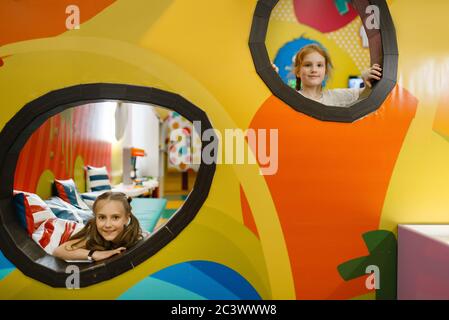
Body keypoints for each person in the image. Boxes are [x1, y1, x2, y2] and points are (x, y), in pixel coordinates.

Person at [277, 44, 382, 107]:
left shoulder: (336, 97)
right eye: (308, 65)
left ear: (325, 71)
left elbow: (364, 95)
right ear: (298, 72)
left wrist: (367, 81)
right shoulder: (290, 98)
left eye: (319, 65)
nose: (314, 70)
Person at [53, 191, 144, 262]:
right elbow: (58, 251)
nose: (108, 225)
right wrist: (94, 254)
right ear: (96, 218)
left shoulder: (135, 236)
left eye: (115, 217)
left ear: (126, 218)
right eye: (102, 217)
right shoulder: (93, 236)